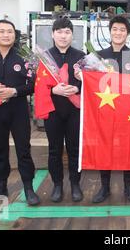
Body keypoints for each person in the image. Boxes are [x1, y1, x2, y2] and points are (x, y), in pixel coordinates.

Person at [0, 19, 40, 207]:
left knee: (23, 150)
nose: (6, 35)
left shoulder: (25, 58)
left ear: (15, 35)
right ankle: (1, 188)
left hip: (19, 111)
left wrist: (14, 91)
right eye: (2, 31)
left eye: (10, 32)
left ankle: (29, 189)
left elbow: (33, 85)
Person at [92, 15, 130, 203]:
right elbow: (91, 82)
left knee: (128, 148)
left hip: (128, 113)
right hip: (105, 110)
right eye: (115, 29)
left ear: (127, 34)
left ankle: (129, 187)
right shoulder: (98, 56)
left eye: (122, 30)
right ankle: (104, 188)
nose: (118, 33)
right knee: (105, 148)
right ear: (110, 31)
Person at [45, 17, 85, 203]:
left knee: (74, 148)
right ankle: (57, 185)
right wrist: (53, 90)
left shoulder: (81, 56)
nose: (63, 36)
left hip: (74, 110)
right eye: (59, 32)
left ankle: (75, 184)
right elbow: (36, 84)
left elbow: (91, 81)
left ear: (72, 35)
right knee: (54, 149)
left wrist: (78, 87)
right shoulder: (44, 56)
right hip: (52, 109)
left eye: (67, 32)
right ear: (53, 34)